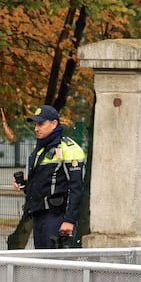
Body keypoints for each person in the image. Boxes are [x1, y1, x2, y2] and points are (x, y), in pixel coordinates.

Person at [14, 105, 86, 249]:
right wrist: (26, 185)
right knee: (42, 265)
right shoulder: (39, 150)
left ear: (54, 124)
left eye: (41, 124)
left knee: (58, 266)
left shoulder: (69, 149)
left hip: (58, 218)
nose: (36, 128)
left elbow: (76, 188)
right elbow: (45, 182)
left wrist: (69, 220)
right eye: (35, 124)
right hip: (39, 216)